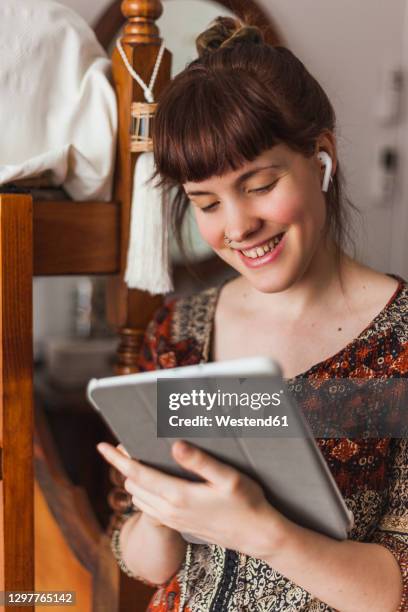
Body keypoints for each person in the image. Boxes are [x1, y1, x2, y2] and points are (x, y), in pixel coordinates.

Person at [97, 17, 408, 612]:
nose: (236, 229)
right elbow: (143, 561)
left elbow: (395, 588)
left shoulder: (398, 343)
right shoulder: (180, 330)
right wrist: (159, 508)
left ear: (322, 156)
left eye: (260, 185)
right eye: (206, 203)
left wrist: (262, 531)